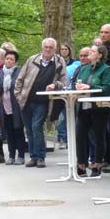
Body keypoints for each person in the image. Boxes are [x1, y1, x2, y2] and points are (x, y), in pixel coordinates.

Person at [14, 37, 67, 168]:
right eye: (46, 47)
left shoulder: (59, 62)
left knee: (37, 126)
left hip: (43, 101)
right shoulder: (32, 60)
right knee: (30, 129)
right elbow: (20, 79)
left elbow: (64, 81)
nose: (48, 49)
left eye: (51, 47)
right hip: (26, 99)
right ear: (42, 48)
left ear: (55, 49)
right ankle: (33, 157)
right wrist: (19, 96)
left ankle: (41, 157)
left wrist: (55, 85)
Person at [74, 45, 110, 177]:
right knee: (80, 135)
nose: (88, 54)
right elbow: (77, 82)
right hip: (83, 106)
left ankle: (97, 164)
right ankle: (81, 164)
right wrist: (78, 86)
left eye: (92, 52)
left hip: (98, 108)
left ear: (100, 55)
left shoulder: (106, 69)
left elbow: (107, 87)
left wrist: (90, 86)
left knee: (98, 136)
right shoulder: (84, 68)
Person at [0, 50, 26, 165]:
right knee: (8, 133)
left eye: (11, 59)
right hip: (4, 108)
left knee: (18, 131)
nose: (8, 61)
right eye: (7, 59)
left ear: (15, 62)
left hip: (17, 108)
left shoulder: (19, 72)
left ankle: (21, 156)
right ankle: (11, 155)